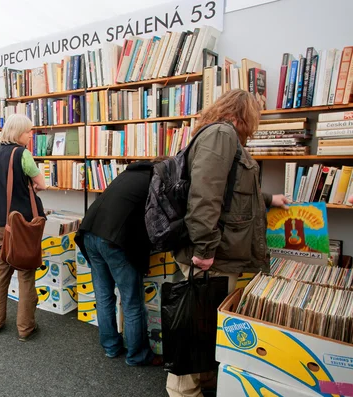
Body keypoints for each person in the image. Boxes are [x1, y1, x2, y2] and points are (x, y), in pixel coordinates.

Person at [166, 89, 289, 397]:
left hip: (217, 253)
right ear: (243, 114)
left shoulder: (222, 136)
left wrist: (270, 199)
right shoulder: (222, 134)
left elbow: (232, 193)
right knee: (194, 326)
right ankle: (183, 391)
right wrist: (205, 250)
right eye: (256, 115)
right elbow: (205, 195)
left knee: (206, 322)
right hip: (211, 255)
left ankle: (204, 379)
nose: (256, 123)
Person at [75, 157, 168, 366]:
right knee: (132, 301)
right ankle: (138, 355)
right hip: (114, 240)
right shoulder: (157, 179)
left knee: (104, 296)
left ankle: (111, 347)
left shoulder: (128, 174)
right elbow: (159, 217)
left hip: (89, 232)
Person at [0, 113, 47, 342]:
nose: (31, 135)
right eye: (27, 132)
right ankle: (25, 328)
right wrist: (32, 186)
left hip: (1, 223)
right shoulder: (22, 154)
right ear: (17, 133)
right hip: (22, 224)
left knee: (1, 271)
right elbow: (41, 183)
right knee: (25, 273)